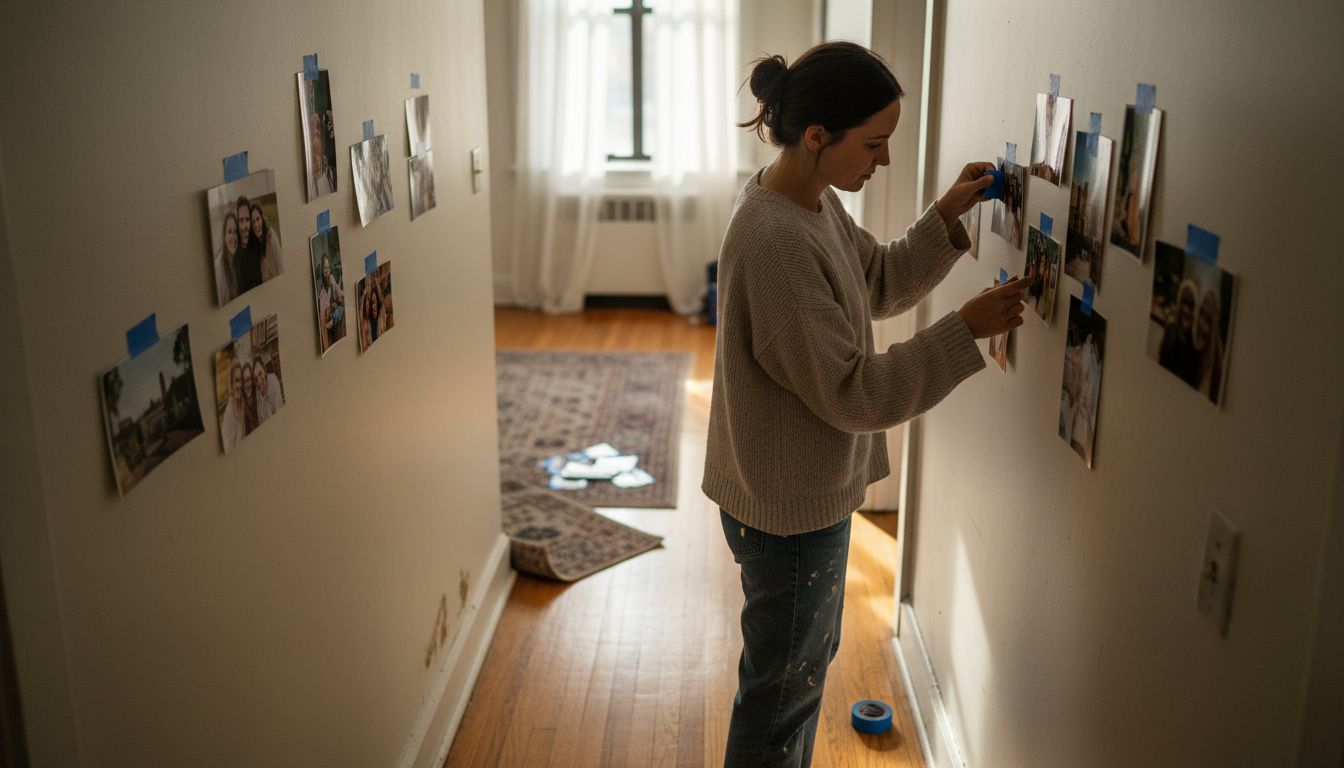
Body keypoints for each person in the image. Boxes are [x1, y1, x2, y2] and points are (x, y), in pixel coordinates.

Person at [703, 42, 1029, 768]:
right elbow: (855, 393)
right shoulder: (776, 240)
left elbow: (875, 280)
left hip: (793, 495)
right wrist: (963, 331)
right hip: (786, 512)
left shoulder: (807, 203)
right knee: (783, 692)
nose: (882, 162)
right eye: (874, 143)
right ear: (817, 137)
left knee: (793, 676)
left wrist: (945, 214)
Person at [1159, 279, 1200, 387]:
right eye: (1184, 302)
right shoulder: (1170, 330)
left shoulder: (1196, 343)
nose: (1186, 309)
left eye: (1190, 305)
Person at [1193, 286, 1225, 402]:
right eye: (1201, 313)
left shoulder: (1214, 358)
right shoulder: (1194, 345)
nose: (1201, 323)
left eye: (1207, 320)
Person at [316, 254, 345, 352]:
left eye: (328, 267)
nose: (326, 270)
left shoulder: (332, 280)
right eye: (324, 267)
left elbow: (341, 297)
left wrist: (334, 318)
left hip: (333, 328)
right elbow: (321, 318)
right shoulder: (320, 288)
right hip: (324, 330)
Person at [235, 195, 263, 292]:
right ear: (237, 223)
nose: (244, 227)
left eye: (247, 220)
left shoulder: (257, 242)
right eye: (241, 220)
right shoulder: (235, 252)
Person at [250, 202, 283, 281]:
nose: (256, 225)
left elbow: (280, 267)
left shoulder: (271, 237)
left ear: (262, 218)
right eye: (253, 222)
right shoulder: (252, 245)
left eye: (258, 219)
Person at [219, 359, 247, 452]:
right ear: (231, 384)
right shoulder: (229, 415)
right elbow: (228, 450)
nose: (240, 385)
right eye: (236, 380)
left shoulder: (243, 404)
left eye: (241, 380)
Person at [214, 213, 240, 305]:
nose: (233, 237)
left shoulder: (238, 262)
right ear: (224, 237)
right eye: (229, 232)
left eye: (235, 231)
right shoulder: (219, 272)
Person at [241, 357, 260, 434]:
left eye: (248, 379)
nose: (247, 384)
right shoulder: (242, 409)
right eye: (244, 381)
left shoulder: (259, 398)